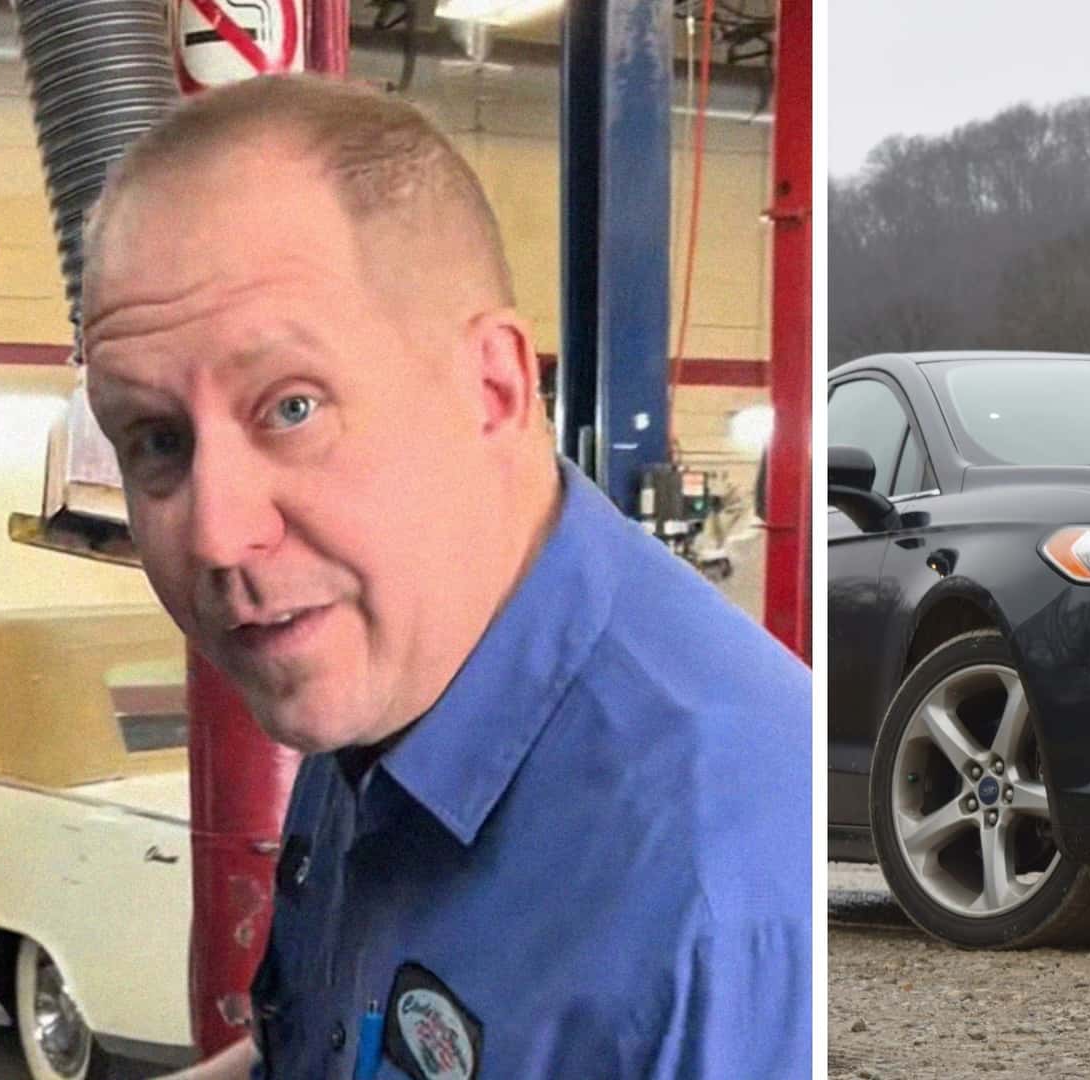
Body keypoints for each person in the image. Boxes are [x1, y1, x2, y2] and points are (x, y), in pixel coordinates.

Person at [79, 75, 811, 1078]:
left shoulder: (729, 897)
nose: (215, 534)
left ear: (493, 388)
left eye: (291, 408)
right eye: (158, 441)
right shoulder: (387, 668)